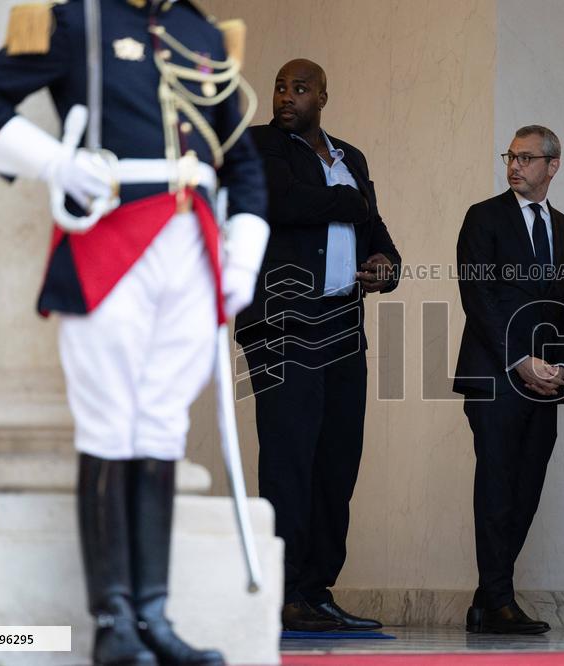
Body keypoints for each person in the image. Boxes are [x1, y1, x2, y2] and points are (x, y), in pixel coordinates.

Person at [0, 1, 270, 664]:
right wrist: (55, 162)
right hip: (111, 238)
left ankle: (153, 615)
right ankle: (113, 620)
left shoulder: (202, 33)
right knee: (108, 422)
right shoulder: (78, 21)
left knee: (161, 424)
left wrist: (242, 257)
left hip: (192, 250)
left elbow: (240, 162)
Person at [238, 59, 401, 632]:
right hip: (283, 325)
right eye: (280, 87)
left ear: (323, 97)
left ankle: (315, 590)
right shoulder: (259, 145)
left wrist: (386, 264)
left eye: (300, 88)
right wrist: (351, 203)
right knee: (289, 458)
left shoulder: (350, 158)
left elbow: (376, 231)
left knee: (338, 458)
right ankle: (280, 592)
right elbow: (284, 202)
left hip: (341, 327)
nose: (287, 96)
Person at [453, 125, 564, 635]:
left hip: (546, 384)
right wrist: (519, 360)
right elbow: (478, 299)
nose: (514, 165)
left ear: (553, 166)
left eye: (527, 158)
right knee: (497, 487)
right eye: (510, 156)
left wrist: (562, 367)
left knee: (527, 489)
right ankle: (499, 601)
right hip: (494, 376)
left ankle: (488, 600)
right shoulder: (483, 217)